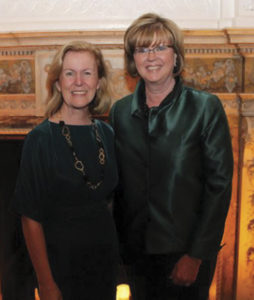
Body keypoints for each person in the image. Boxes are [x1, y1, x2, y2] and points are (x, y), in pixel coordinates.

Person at [109, 13, 233, 300]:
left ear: (176, 56)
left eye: (160, 47)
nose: (151, 57)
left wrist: (196, 255)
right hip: (136, 258)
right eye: (142, 49)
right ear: (133, 59)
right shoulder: (120, 113)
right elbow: (117, 189)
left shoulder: (205, 108)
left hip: (187, 257)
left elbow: (219, 187)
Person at [11, 40, 119, 300]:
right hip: (60, 269)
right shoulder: (40, 138)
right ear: (58, 83)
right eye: (69, 73)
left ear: (99, 82)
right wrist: (46, 283)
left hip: (104, 265)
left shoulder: (107, 133)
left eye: (87, 73)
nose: (78, 82)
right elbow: (30, 217)